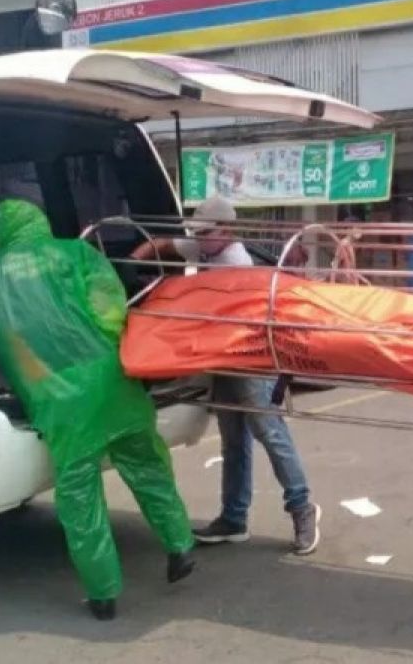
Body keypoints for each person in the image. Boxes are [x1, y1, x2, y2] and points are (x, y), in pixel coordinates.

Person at [0, 200, 196, 621]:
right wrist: (118, 351)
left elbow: (1, 340)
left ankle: (103, 593)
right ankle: (180, 545)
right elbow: (111, 311)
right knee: (148, 466)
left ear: (0, 233)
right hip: (110, 379)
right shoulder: (77, 253)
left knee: (79, 495)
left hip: (54, 394)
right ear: (40, 221)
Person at [132, 196, 322, 555]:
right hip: (223, 355)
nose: (200, 241)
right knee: (233, 438)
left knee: (270, 432)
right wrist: (135, 260)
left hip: (250, 356)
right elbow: (162, 243)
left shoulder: (236, 264)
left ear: (227, 230)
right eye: (198, 234)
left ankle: (302, 508)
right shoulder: (204, 247)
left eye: (206, 234)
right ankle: (234, 518)